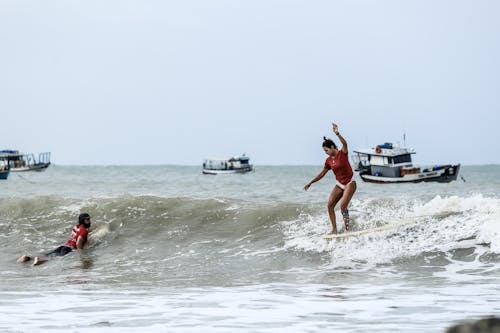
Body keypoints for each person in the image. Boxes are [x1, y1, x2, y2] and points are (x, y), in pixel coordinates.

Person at [304, 123, 357, 235]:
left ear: (332, 147)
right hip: (339, 184)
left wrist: (337, 133)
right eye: (324, 151)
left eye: (326, 150)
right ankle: (334, 229)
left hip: (350, 182)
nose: (326, 153)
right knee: (330, 206)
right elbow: (322, 173)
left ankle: (348, 229)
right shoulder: (328, 161)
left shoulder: (343, 153)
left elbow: (345, 143)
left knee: (343, 206)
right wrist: (311, 182)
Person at [17, 213, 92, 266]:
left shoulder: (77, 226)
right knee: (54, 259)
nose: (90, 221)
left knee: (48, 255)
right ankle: (38, 260)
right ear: (83, 221)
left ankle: (28, 258)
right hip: (69, 249)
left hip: (64, 246)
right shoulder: (84, 231)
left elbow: (79, 234)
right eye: (87, 220)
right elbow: (78, 242)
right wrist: (81, 254)